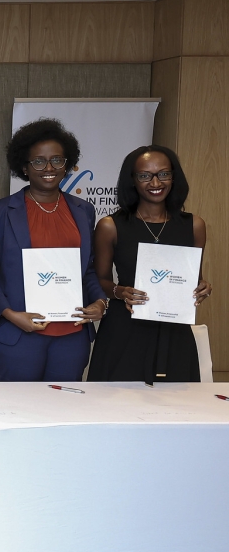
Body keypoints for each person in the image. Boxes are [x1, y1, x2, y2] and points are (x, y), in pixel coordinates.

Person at [0, 119, 108, 382]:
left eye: (57, 160)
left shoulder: (84, 211)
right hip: (18, 335)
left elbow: (87, 270)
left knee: (64, 414)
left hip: (71, 337)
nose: (49, 168)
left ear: (67, 164)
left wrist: (100, 303)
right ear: (24, 166)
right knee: (19, 414)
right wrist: (11, 315)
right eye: (38, 161)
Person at [88, 146, 211, 382]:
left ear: (174, 177)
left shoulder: (194, 225)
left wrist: (202, 286)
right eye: (145, 175)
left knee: (177, 408)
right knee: (114, 407)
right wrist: (120, 291)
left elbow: (194, 277)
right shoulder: (110, 226)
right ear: (132, 180)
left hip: (174, 331)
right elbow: (99, 280)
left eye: (163, 174)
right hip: (124, 328)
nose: (156, 182)